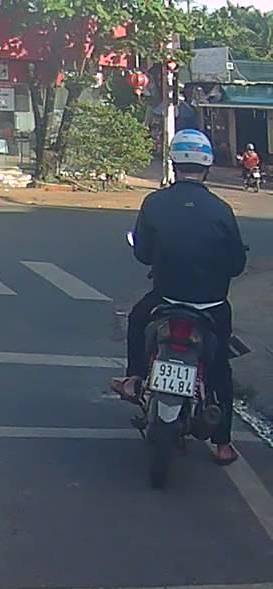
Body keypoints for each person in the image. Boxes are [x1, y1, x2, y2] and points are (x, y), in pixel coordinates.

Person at [111, 129, 248, 465]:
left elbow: (142, 254)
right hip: (211, 306)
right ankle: (223, 444)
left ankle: (133, 379)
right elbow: (236, 265)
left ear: (174, 163)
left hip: (166, 300)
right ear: (207, 167)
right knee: (220, 370)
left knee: (136, 321)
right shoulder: (221, 209)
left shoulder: (154, 203)